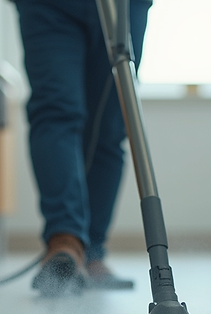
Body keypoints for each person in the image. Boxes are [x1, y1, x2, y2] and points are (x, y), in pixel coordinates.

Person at [13, 0, 152, 296]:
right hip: (49, 7)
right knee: (55, 111)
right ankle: (66, 243)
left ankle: (93, 252)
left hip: (124, 6)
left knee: (109, 127)